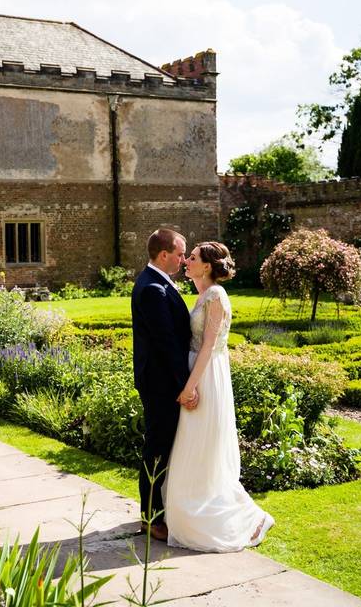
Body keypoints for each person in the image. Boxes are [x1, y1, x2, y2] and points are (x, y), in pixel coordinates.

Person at [163, 241, 274, 552]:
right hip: (197, 369)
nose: (186, 261)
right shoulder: (203, 294)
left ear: (208, 266)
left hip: (207, 375)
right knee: (192, 441)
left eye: (193, 258)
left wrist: (190, 386)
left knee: (201, 440)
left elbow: (209, 346)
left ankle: (240, 516)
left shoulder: (215, 295)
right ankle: (193, 501)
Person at [130, 228, 195, 541]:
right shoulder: (153, 288)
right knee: (156, 449)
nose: (184, 260)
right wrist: (186, 386)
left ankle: (156, 511)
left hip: (161, 379)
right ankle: (151, 518)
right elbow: (166, 343)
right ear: (164, 254)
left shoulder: (157, 282)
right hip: (160, 383)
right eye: (181, 254)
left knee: (161, 446)